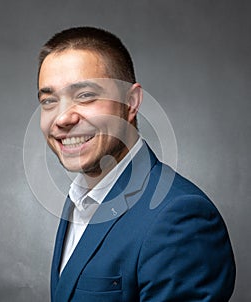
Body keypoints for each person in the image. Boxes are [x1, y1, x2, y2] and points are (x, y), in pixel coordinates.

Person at [37, 26, 235, 302]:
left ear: (130, 103)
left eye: (85, 96)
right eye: (49, 100)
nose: (62, 118)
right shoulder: (80, 199)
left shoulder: (179, 218)